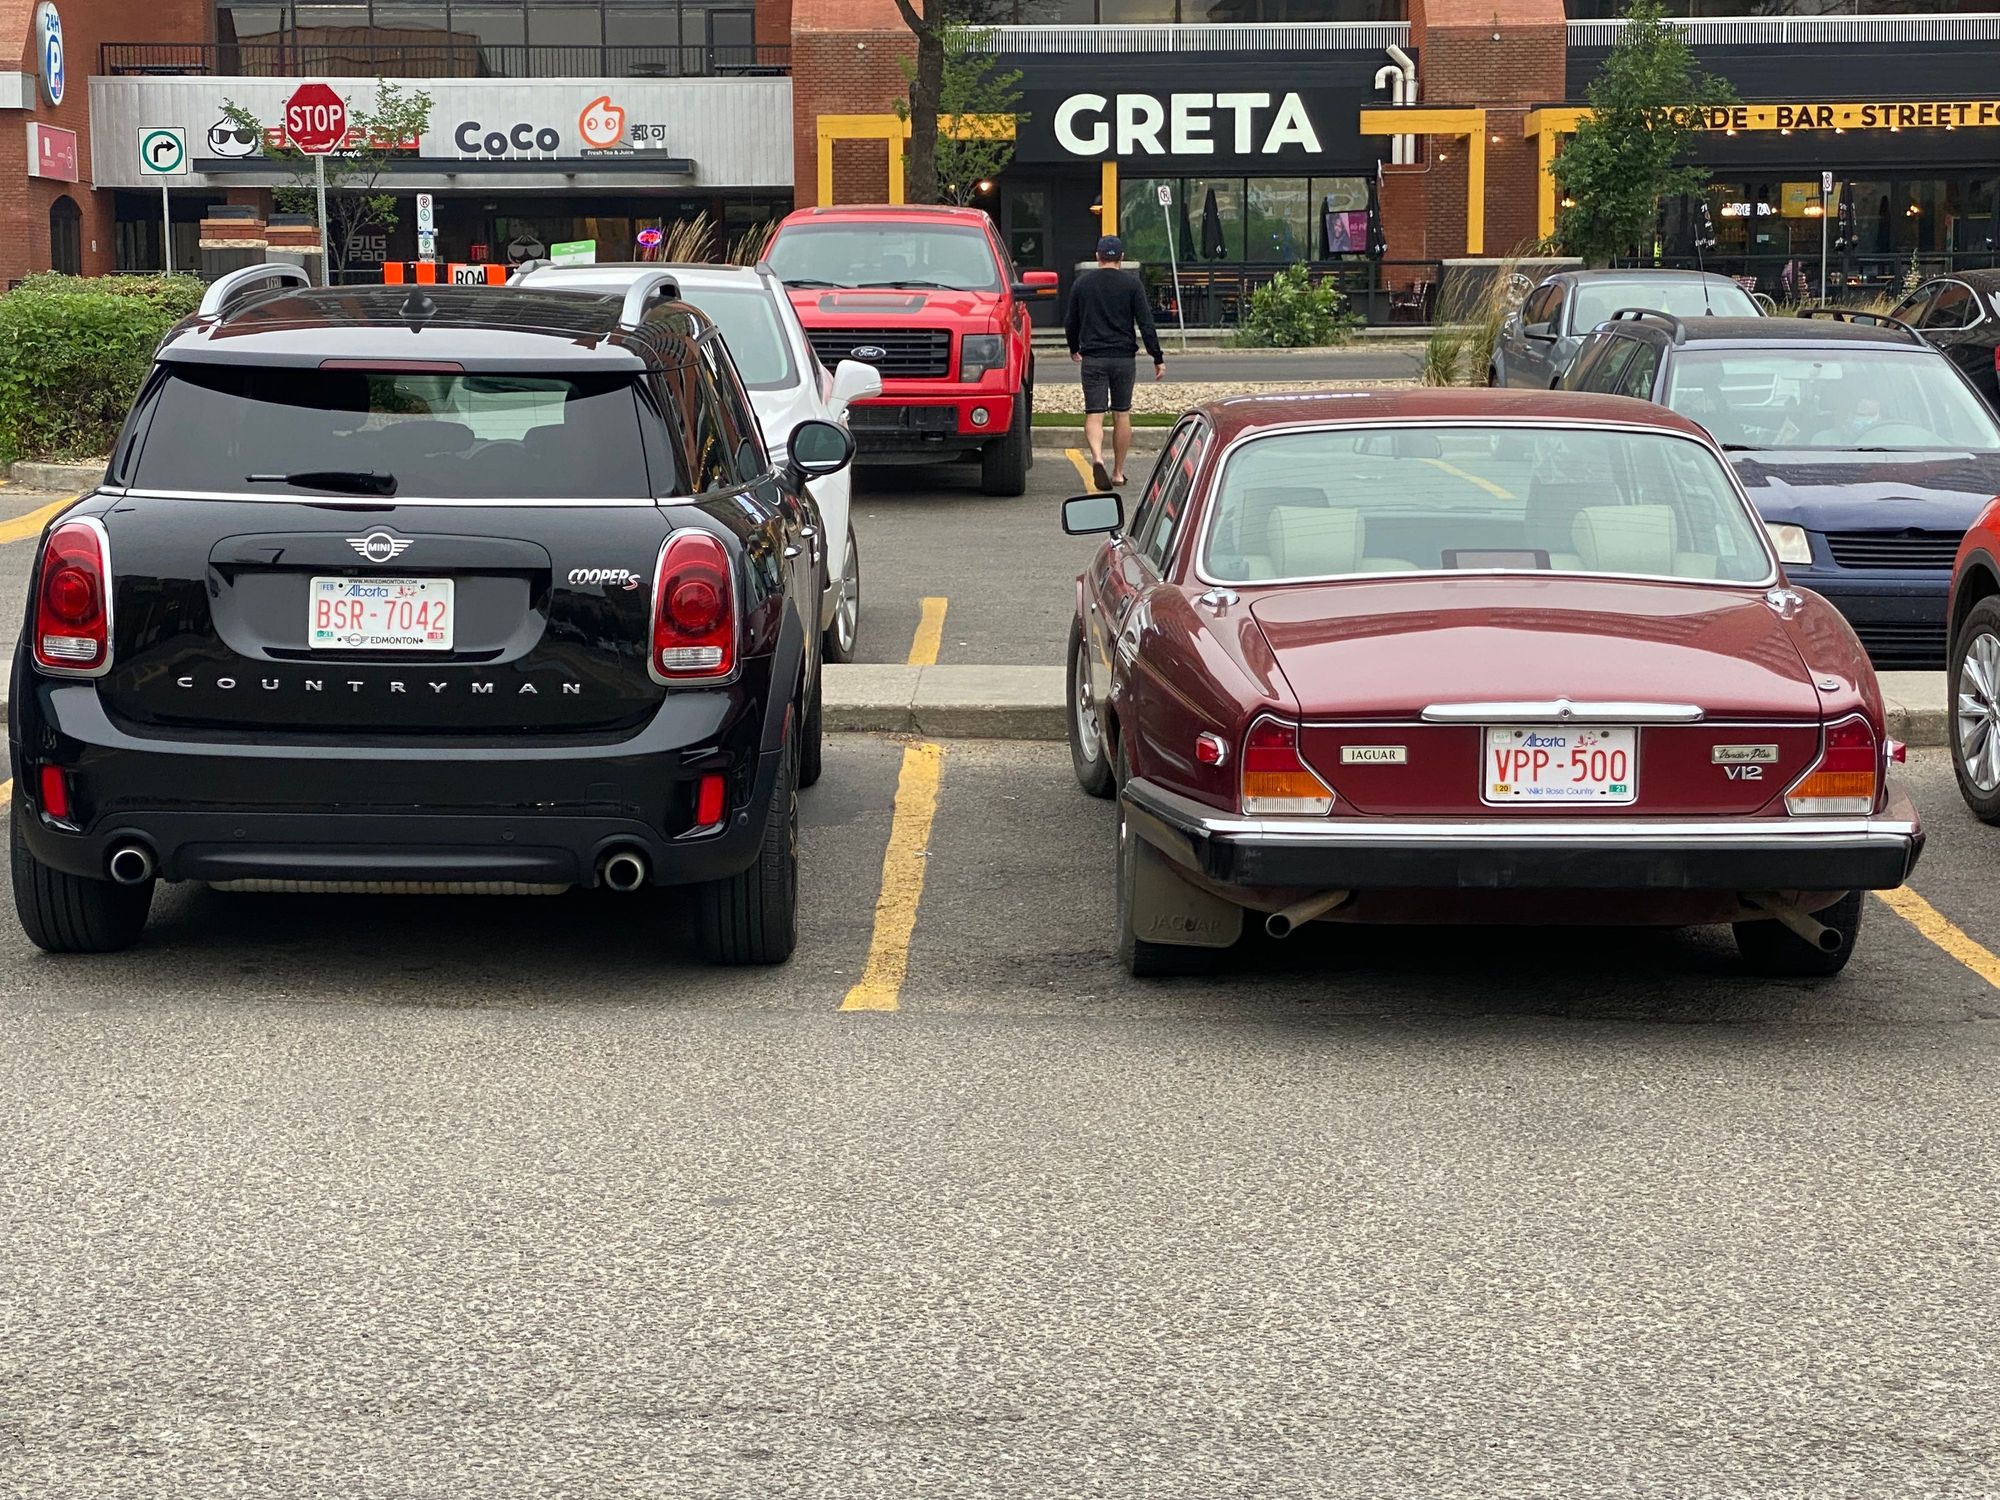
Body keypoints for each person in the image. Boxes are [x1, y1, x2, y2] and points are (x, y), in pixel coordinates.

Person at [1065, 234, 1165, 490]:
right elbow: (1145, 323)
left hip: (1094, 357)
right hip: (1123, 358)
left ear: (1097, 256)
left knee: (1094, 414)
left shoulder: (1082, 284)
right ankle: (1118, 472)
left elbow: (1071, 321)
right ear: (1121, 257)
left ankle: (1097, 457)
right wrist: (1157, 356)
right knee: (1122, 413)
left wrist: (1074, 348)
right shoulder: (1132, 285)